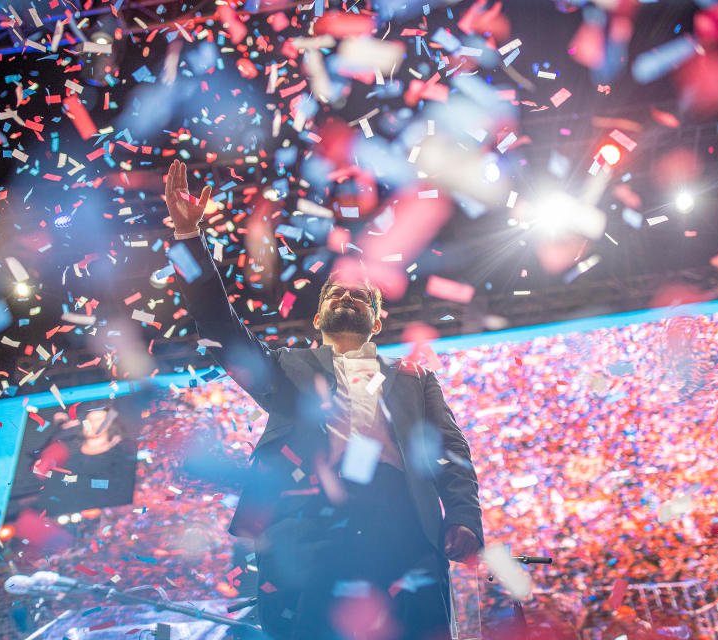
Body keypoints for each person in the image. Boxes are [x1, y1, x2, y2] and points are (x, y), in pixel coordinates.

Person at [164, 160, 484, 640]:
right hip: (305, 527)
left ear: (377, 321)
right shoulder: (286, 368)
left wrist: (462, 516)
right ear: (317, 319)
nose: (346, 297)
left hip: (401, 526)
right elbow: (220, 329)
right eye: (335, 293)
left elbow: (451, 450)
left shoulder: (415, 379)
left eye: (361, 296)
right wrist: (189, 238)